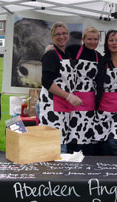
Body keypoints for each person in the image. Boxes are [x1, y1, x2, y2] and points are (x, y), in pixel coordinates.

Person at [39, 22, 82, 153]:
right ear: (52, 37)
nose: (61, 36)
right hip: (52, 107)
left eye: (64, 33)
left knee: (62, 142)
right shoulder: (51, 55)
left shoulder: (66, 54)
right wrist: (68, 96)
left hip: (63, 107)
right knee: (55, 146)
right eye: (57, 34)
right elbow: (46, 81)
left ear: (68, 35)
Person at [65, 27, 102, 155]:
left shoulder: (99, 57)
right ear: (83, 39)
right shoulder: (73, 50)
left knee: (86, 134)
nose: (92, 42)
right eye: (89, 39)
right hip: (73, 100)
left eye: (95, 39)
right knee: (72, 134)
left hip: (90, 102)